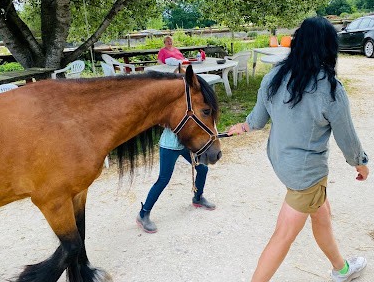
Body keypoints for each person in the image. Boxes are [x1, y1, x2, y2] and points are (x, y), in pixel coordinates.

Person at [228, 16, 369, 282]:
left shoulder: (273, 77)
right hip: (305, 177)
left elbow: (256, 121)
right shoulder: (330, 89)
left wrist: (243, 127)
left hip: (282, 164)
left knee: (322, 213)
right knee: (283, 236)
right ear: (328, 48)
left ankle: (341, 269)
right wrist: (360, 162)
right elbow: (347, 138)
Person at [136, 127, 215, 233]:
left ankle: (198, 198)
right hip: (169, 147)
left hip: (185, 145)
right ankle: (143, 214)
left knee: (202, 168)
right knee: (163, 179)